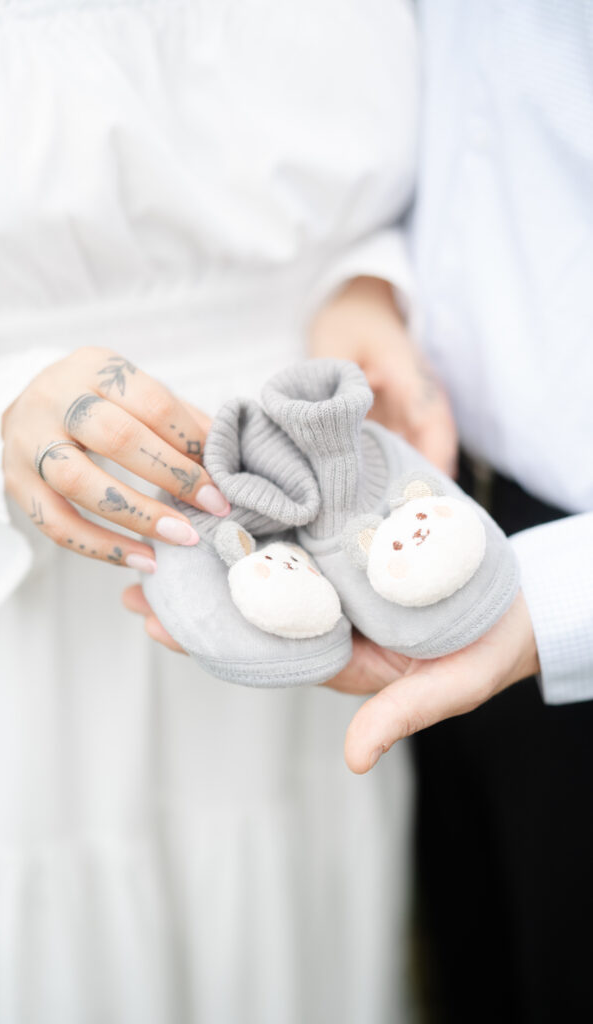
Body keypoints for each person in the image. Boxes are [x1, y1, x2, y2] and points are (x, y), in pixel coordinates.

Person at [0, 2, 420, 1021]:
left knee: (288, 943)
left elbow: (497, 142)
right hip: (7, 585)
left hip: (310, 561)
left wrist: (369, 284)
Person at [285, 3, 593, 1022]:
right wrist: (377, 285)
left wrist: (554, 602)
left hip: (565, 597)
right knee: (475, 963)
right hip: (447, 503)